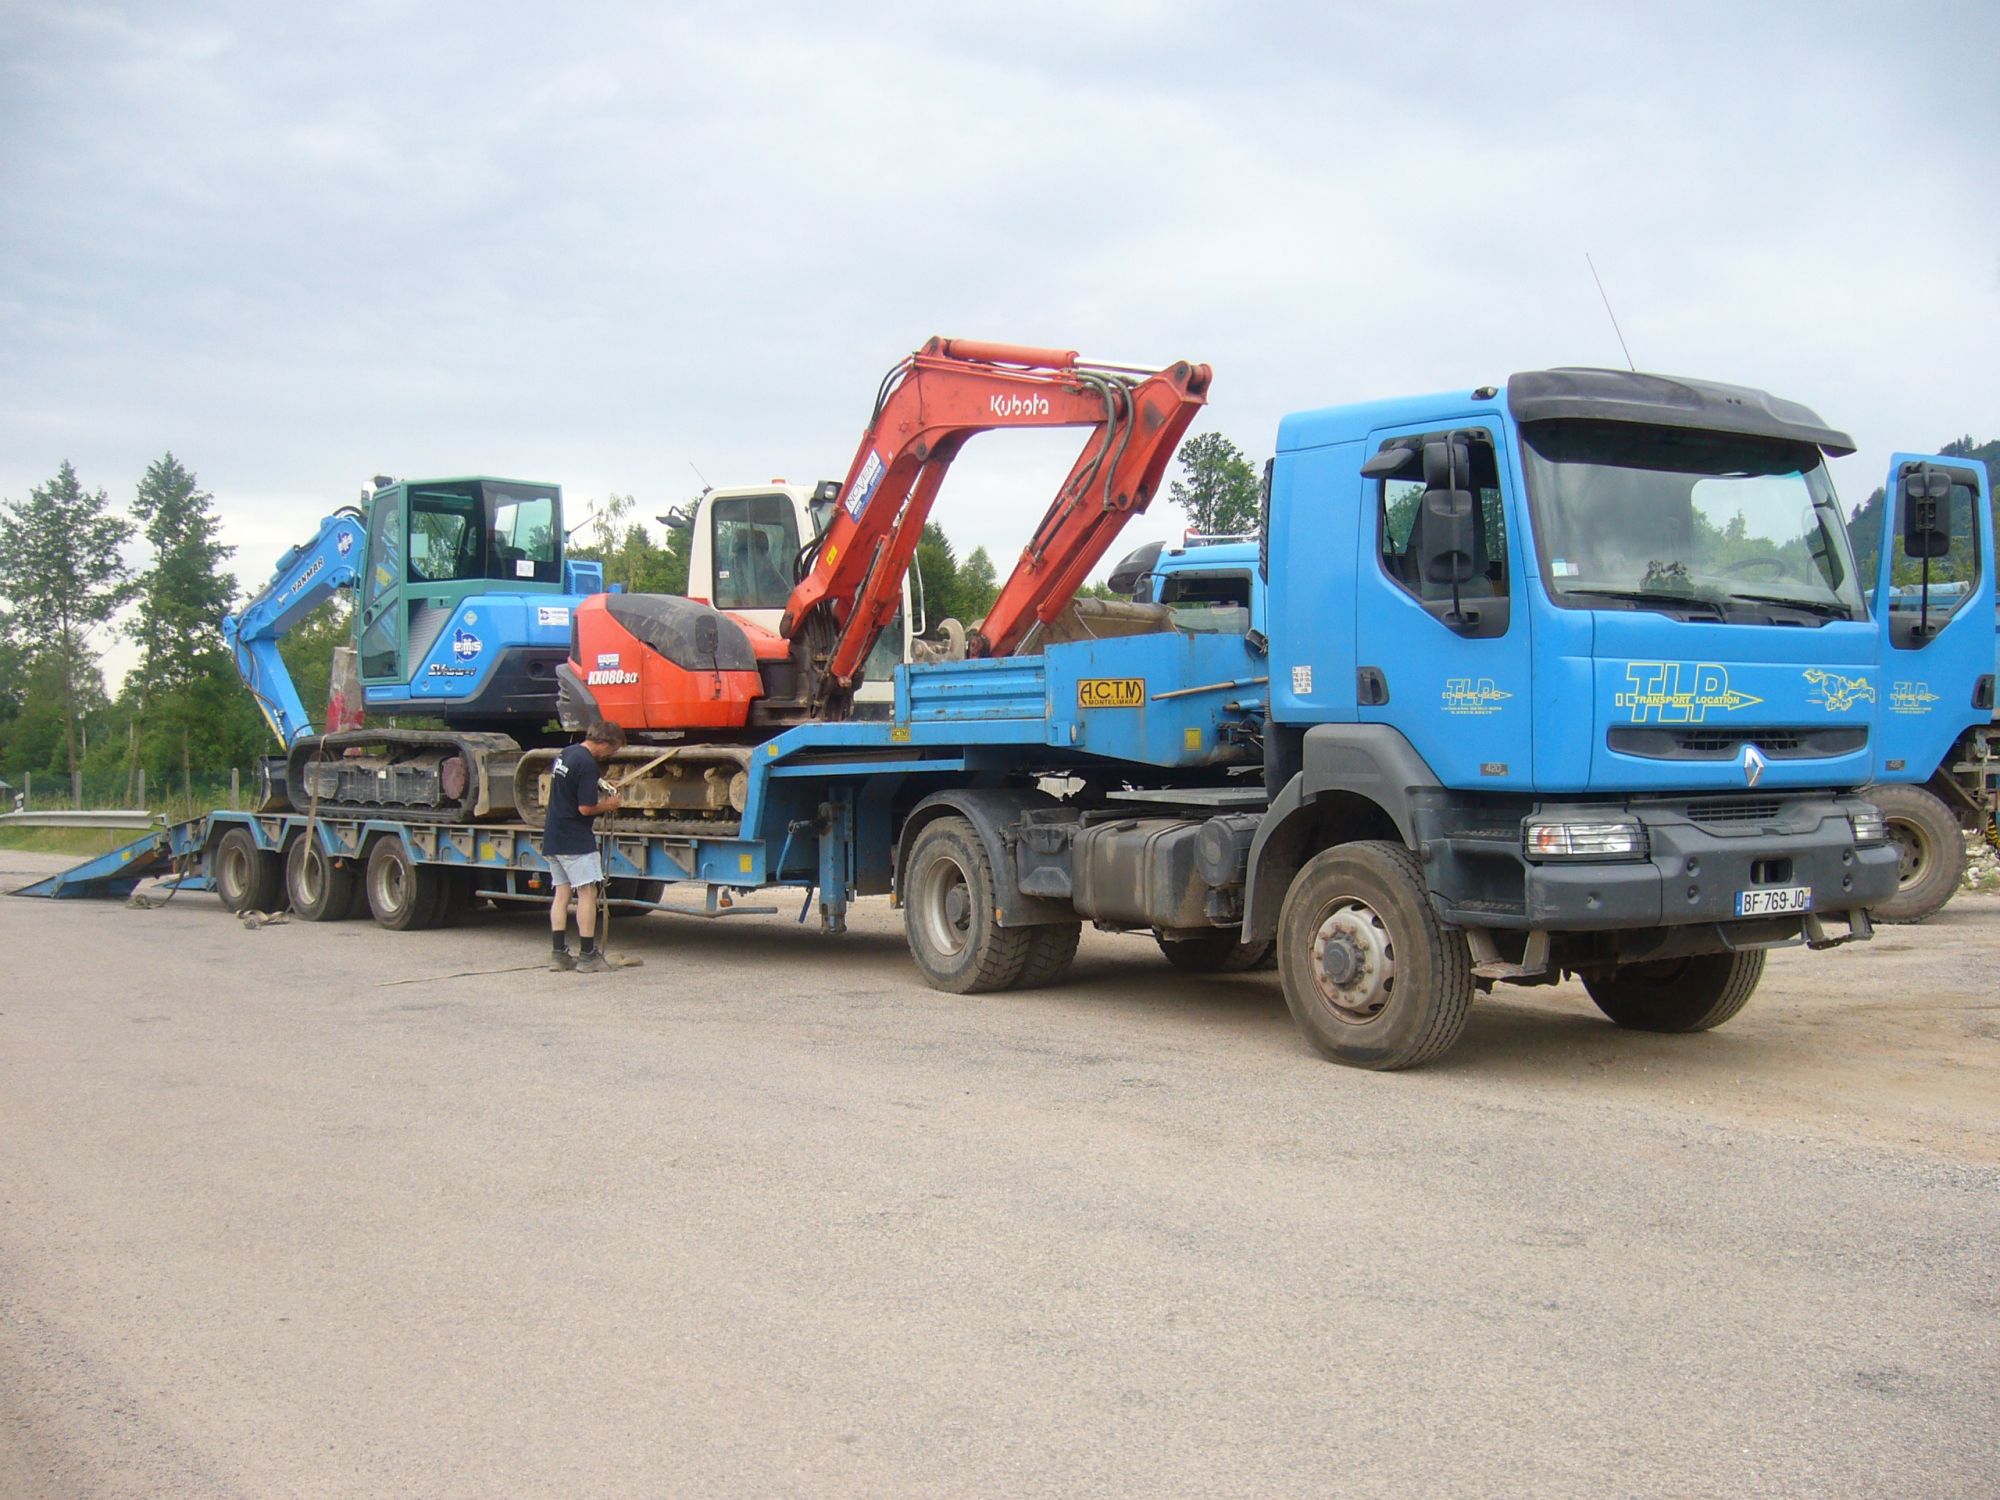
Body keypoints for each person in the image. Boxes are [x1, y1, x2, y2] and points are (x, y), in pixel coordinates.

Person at [543, 720, 626, 972]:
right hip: (575, 838)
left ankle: (559, 953)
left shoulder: (566, 754)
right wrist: (609, 806)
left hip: (554, 835)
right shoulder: (588, 764)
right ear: (603, 743)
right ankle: (588, 954)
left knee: (562, 893)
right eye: (612, 750)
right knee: (587, 893)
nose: (611, 755)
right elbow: (585, 808)